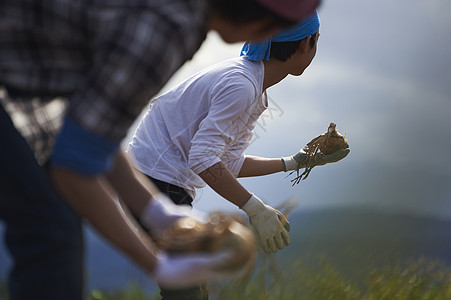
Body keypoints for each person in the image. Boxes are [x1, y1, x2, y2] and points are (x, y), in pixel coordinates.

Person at [0, 0, 322, 299]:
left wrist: (161, 213)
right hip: (159, 177)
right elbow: (75, 163)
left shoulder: (194, 28)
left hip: (139, 168)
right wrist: (157, 262)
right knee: (53, 230)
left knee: (52, 228)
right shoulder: (172, 31)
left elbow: (91, 133)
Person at [127, 11, 349, 300]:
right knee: (186, 291)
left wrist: (293, 162)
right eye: (317, 40)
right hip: (157, 181)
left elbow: (224, 162)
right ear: (306, 43)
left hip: (155, 178)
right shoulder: (242, 86)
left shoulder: (250, 83)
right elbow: (204, 159)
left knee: (190, 288)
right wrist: (255, 208)